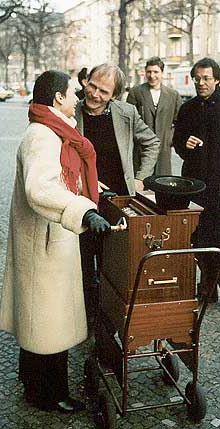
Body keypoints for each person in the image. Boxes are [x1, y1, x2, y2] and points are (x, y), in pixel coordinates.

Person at [0, 70, 111, 413]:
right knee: (48, 322)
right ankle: (48, 393)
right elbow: (41, 189)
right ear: (57, 98)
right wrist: (84, 210)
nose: (78, 97)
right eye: (72, 92)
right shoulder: (43, 135)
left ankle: (33, 382)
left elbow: (61, 178)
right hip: (44, 242)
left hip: (47, 240)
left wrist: (91, 192)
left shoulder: (51, 130)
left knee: (42, 319)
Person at [74, 63, 160, 327]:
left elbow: (152, 142)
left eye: (103, 91)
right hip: (82, 199)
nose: (94, 94)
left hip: (119, 201)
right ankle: (86, 317)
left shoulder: (127, 113)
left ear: (114, 95)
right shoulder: (70, 111)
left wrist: (140, 178)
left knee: (115, 263)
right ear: (85, 82)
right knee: (84, 261)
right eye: (92, 86)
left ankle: (111, 317)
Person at [173, 57, 220, 318]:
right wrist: (186, 143)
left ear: (217, 80)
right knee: (200, 239)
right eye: (197, 79)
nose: (201, 83)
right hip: (196, 186)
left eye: (206, 78)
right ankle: (207, 289)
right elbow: (177, 143)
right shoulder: (188, 108)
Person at [127, 56, 182, 175]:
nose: (152, 76)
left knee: (162, 183)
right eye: (149, 72)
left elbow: (179, 122)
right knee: (142, 183)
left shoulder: (173, 95)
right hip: (141, 149)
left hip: (164, 150)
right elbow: (128, 121)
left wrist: (169, 139)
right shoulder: (136, 92)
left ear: (162, 73)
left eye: (156, 72)